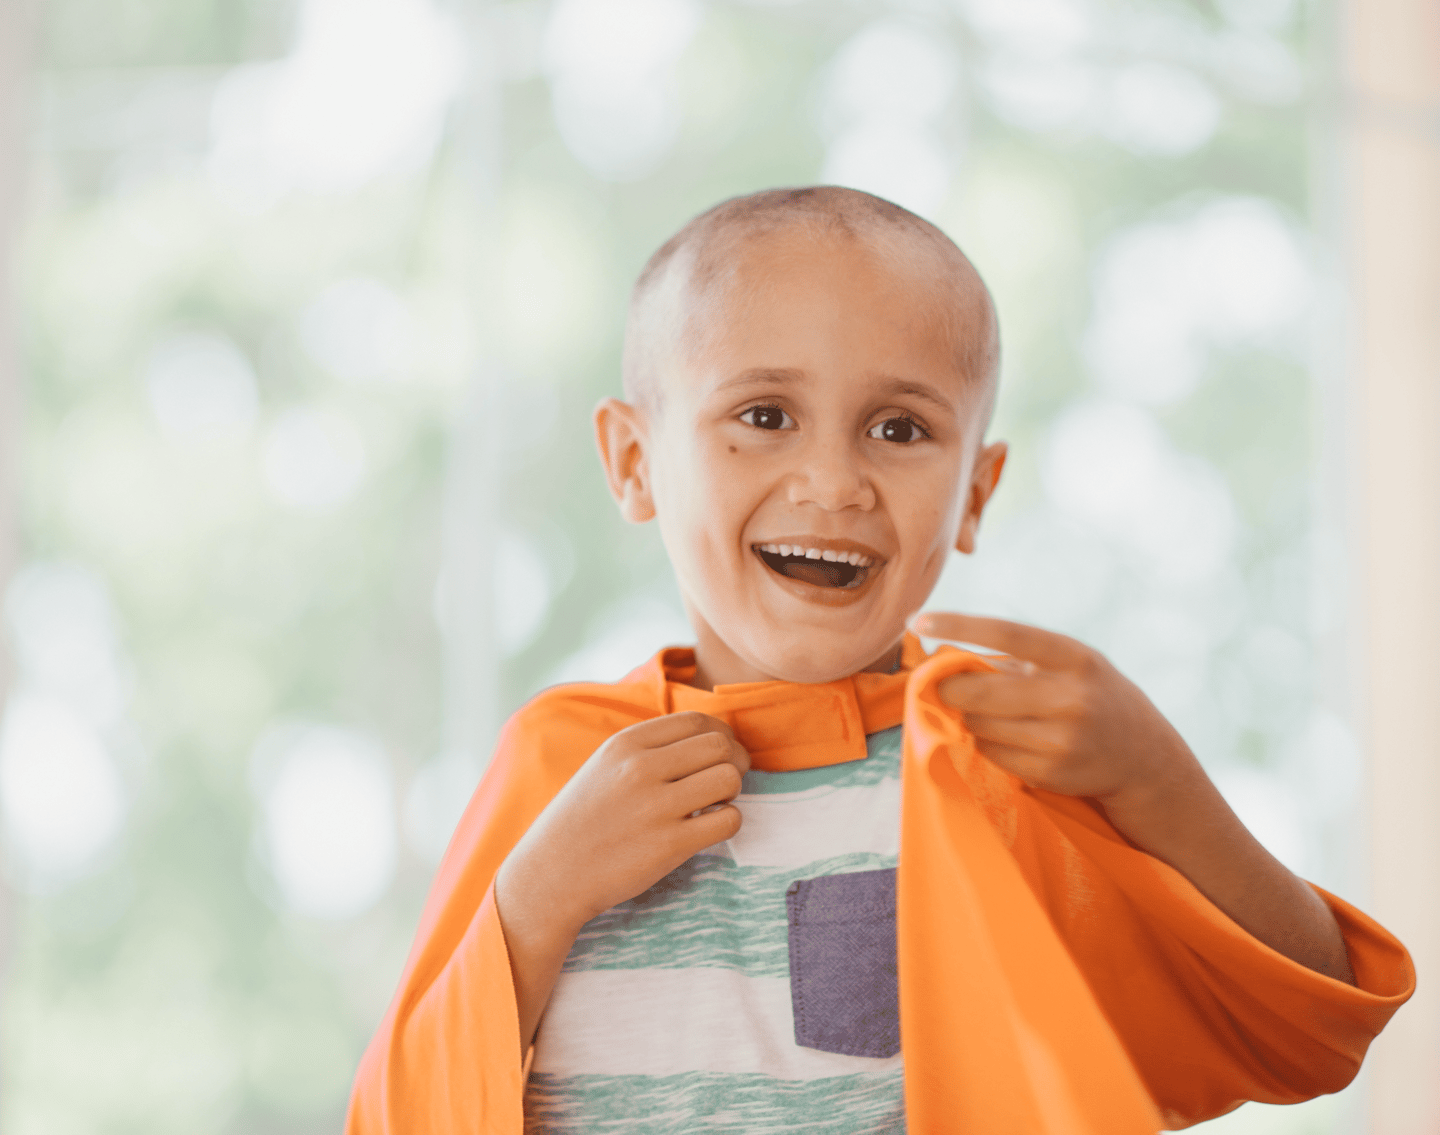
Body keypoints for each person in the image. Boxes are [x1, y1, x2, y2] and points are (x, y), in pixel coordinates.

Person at [347, 187, 1413, 1134]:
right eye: (763, 416)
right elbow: (393, 1114)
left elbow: (1310, 1030)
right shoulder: (560, 763)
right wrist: (534, 903)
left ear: (976, 495)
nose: (833, 480)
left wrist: (1156, 780)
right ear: (635, 463)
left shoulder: (996, 765)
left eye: (898, 430)